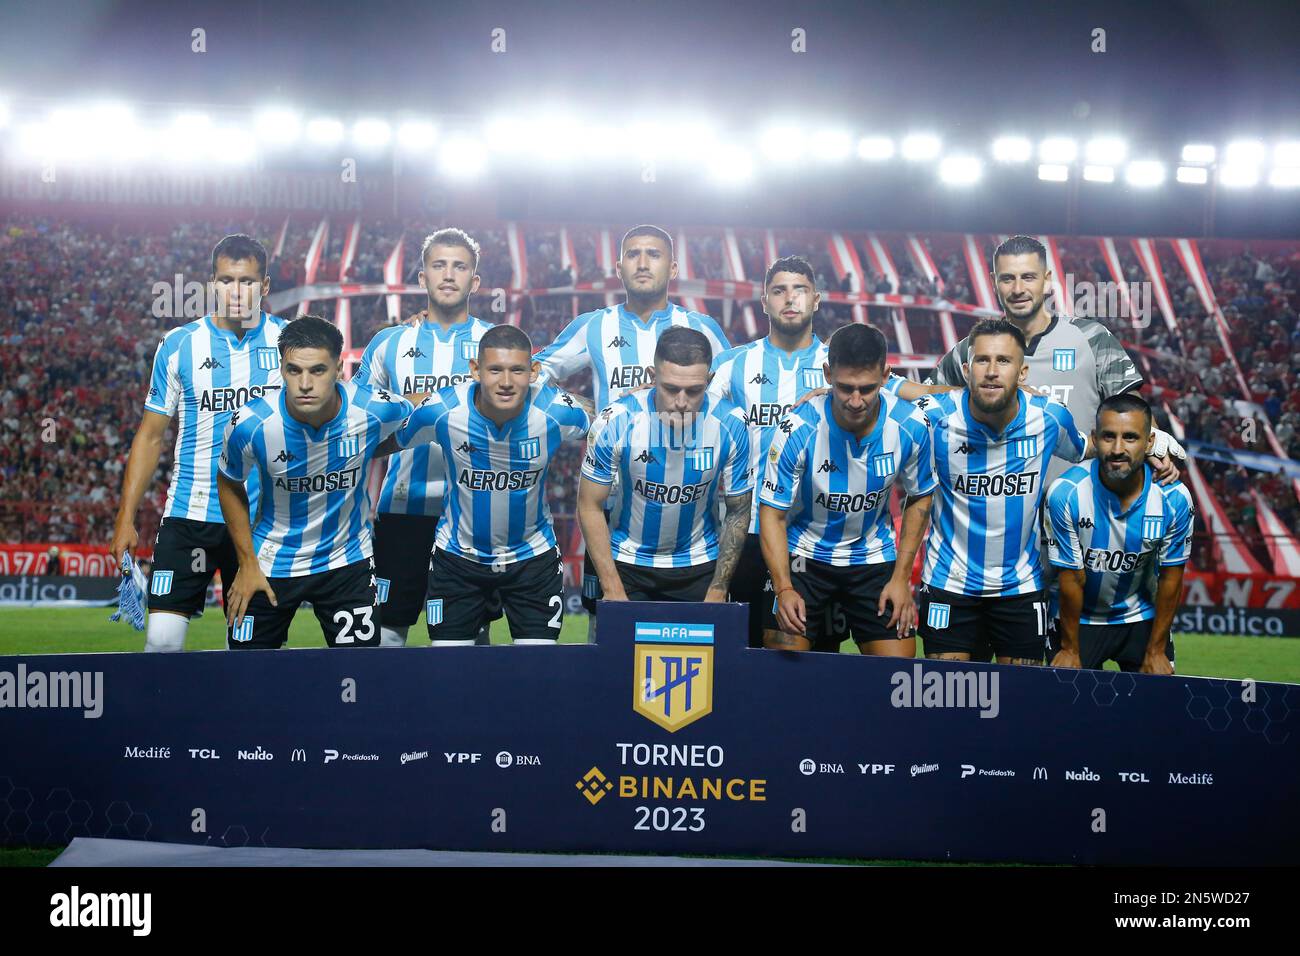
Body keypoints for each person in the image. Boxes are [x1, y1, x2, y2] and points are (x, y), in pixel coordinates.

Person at [532, 224, 731, 625]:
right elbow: (536, 374)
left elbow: (730, 397)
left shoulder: (701, 328)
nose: (643, 263)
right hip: (611, 504)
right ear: (619, 266)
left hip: (689, 504)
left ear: (673, 268)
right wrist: (588, 408)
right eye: (634, 254)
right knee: (606, 627)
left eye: (654, 254)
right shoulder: (595, 326)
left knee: (696, 638)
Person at [111, 234, 286, 652]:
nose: (237, 291)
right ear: (212, 284)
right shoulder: (179, 345)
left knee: (251, 656)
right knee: (161, 646)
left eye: (247, 281)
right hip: (189, 516)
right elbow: (151, 436)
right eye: (227, 280)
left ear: (264, 286)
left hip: (260, 524)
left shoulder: (289, 343)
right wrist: (125, 517)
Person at [216, 316, 412, 648]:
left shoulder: (373, 409)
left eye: (318, 370)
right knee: (244, 679)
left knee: (363, 678)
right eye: (294, 370)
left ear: (338, 368)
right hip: (268, 565)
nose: (305, 383)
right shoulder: (250, 424)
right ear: (281, 368)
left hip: (346, 562)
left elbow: (421, 410)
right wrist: (246, 562)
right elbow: (229, 481)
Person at [387, 324, 590, 644]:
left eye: (517, 370)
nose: (506, 382)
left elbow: (597, 429)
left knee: (537, 676)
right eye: (495, 369)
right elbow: (392, 440)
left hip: (532, 562)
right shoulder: (441, 411)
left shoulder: (558, 413)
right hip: (458, 562)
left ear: (534, 372)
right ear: (475, 370)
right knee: (452, 676)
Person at [914, 318, 1094, 665]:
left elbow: (1090, 448)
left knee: (1019, 706)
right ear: (966, 369)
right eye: (982, 360)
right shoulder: (934, 417)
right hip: (949, 586)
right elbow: (878, 389)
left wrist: (1155, 445)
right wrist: (826, 393)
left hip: (1020, 589)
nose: (992, 371)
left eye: (1004, 361)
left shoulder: (1049, 419)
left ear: (1023, 372)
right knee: (948, 704)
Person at [353, 228, 496, 647]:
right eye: (438, 265)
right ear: (421, 278)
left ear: (475, 281)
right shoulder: (390, 343)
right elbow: (356, 420)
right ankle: (380, 711)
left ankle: (467, 713)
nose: (448, 275)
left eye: (459, 266)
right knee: (387, 633)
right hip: (403, 508)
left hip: (474, 513)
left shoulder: (496, 345)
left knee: (470, 636)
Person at [760, 323, 935, 655]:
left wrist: (901, 579)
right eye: (845, 388)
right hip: (805, 557)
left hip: (872, 557)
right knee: (783, 663)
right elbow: (772, 513)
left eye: (867, 389)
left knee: (896, 674)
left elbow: (920, 495)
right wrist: (783, 589)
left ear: (886, 376)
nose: (856, 401)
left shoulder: (911, 425)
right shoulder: (797, 429)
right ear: (827, 374)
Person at [709, 255, 844, 649]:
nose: (790, 299)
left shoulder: (836, 367)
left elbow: (897, 392)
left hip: (808, 536)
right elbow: (683, 400)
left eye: (800, 290)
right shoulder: (735, 364)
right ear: (764, 301)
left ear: (816, 299)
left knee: (808, 655)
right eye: (779, 290)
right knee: (738, 651)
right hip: (743, 532)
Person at [578, 327, 751, 620]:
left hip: (699, 565)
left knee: (703, 665)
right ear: (652, 375)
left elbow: (738, 510)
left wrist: (719, 587)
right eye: (671, 388)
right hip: (627, 563)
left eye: (694, 391)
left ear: (708, 381)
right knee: (618, 665)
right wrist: (612, 587)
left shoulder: (732, 424)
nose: (681, 402)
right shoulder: (616, 421)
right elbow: (589, 504)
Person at [1046, 393, 1195, 673]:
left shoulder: (1174, 499)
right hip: (1079, 620)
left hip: (1141, 618)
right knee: (1067, 705)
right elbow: (1071, 579)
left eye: (1130, 437)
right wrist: (1069, 649)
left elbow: (1171, 578)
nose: (1117, 448)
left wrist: (1156, 650)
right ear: (1094, 437)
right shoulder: (1066, 494)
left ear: (1149, 442)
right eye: (1108, 437)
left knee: (1153, 709)